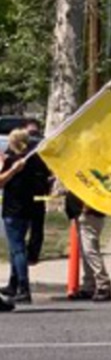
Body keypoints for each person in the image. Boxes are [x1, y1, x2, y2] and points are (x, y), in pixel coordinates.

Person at [0, 130, 36, 303]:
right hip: (28, 208)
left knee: (17, 249)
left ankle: (24, 287)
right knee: (16, 248)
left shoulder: (13, 162)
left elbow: (0, 181)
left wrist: (12, 170)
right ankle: (13, 284)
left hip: (13, 210)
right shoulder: (32, 160)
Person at [65, 192, 111, 302]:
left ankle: (103, 285)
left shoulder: (88, 176)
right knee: (86, 252)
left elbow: (89, 189)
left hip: (89, 214)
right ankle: (89, 285)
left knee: (90, 251)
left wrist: (86, 208)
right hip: (83, 214)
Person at [20, 120, 50, 266]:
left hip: (23, 187)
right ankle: (33, 255)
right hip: (40, 186)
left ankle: (20, 252)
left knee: (21, 222)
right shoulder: (45, 143)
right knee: (37, 224)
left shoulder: (21, 143)